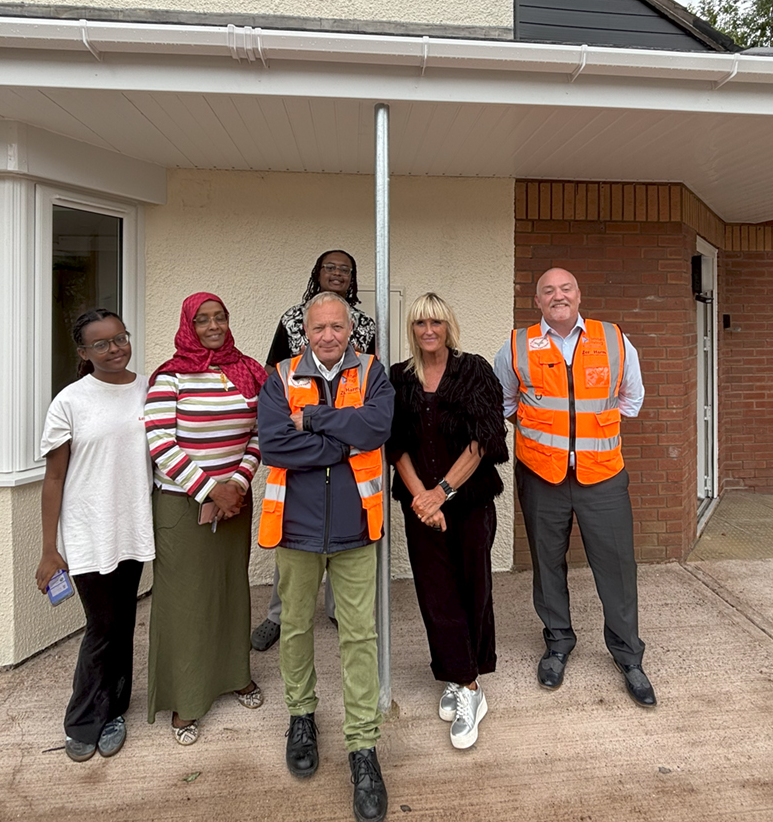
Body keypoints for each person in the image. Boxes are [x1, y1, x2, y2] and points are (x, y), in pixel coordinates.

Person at [257, 291, 394, 822]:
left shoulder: (375, 373)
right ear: (305, 332)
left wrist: (312, 420)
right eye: (319, 328)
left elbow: (375, 430)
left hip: (358, 528)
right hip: (294, 528)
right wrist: (342, 437)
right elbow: (273, 446)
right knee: (294, 627)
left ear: (351, 330)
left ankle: (363, 746)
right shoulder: (281, 376)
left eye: (338, 327)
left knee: (360, 634)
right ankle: (301, 717)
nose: (329, 336)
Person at [492, 268, 655, 707]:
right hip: (542, 477)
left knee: (618, 567)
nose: (558, 296)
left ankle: (628, 655)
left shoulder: (615, 339)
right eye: (548, 291)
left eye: (565, 289)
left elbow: (632, 401)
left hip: (602, 476)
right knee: (547, 565)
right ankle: (558, 642)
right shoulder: (516, 346)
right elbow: (506, 404)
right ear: (537, 301)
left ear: (579, 295)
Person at [144, 293, 268, 745]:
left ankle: (236, 674)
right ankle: (187, 698)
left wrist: (237, 484)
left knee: (230, 591)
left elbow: (259, 432)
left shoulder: (246, 370)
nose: (213, 326)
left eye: (220, 317)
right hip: (182, 504)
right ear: (188, 325)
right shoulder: (169, 377)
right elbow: (159, 442)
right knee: (185, 601)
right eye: (203, 320)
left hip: (235, 503)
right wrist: (209, 488)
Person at [388, 293, 508, 750]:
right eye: (420, 322)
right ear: (413, 329)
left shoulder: (473, 369)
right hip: (421, 505)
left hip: (468, 502)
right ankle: (458, 677)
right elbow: (394, 444)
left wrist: (442, 493)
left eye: (436, 321)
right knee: (435, 593)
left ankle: (470, 687)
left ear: (448, 326)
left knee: (473, 587)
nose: (428, 329)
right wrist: (422, 498)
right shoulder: (398, 377)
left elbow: (485, 438)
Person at [36, 309, 155, 762]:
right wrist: (49, 550)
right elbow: (53, 479)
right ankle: (84, 719)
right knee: (102, 627)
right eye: (101, 343)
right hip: (88, 530)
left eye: (120, 337)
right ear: (84, 352)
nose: (115, 348)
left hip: (132, 525)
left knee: (122, 620)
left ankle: (116, 707)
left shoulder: (148, 389)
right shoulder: (70, 401)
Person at [253, 248, 377, 652]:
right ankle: (277, 616)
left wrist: (317, 419)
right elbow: (277, 372)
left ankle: (340, 611)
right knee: (294, 569)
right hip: (299, 483)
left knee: (348, 564)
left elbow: (371, 412)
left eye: (345, 268)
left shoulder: (365, 324)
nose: (338, 273)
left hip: (345, 481)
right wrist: (344, 446)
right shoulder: (292, 318)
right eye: (330, 267)